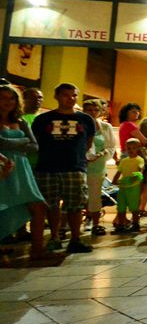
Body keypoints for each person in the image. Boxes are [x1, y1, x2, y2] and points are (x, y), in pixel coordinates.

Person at [31, 83, 96, 253]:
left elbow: (88, 142)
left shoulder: (86, 119)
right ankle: (54, 237)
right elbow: (35, 141)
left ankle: (75, 239)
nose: (70, 98)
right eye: (66, 95)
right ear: (57, 96)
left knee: (76, 204)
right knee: (51, 204)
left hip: (74, 167)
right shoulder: (43, 119)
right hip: (47, 167)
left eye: (74, 95)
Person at [0, 85, 48, 260]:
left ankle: (38, 249)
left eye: (12, 98)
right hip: (3, 165)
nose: (8, 102)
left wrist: (9, 142)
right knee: (3, 204)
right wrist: (22, 140)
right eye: (3, 98)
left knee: (38, 206)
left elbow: (34, 146)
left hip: (21, 166)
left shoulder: (21, 122)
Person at [82, 99, 116, 236]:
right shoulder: (79, 125)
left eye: (95, 110)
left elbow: (111, 146)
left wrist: (101, 155)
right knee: (80, 196)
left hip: (98, 165)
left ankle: (95, 223)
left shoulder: (106, 127)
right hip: (80, 165)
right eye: (89, 110)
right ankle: (69, 224)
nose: (93, 112)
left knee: (95, 196)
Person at [112, 138, 145, 233]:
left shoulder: (139, 160)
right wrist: (114, 180)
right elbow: (119, 172)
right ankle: (121, 225)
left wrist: (137, 176)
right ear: (126, 149)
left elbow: (141, 170)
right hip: (123, 186)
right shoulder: (124, 161)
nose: (131, 150)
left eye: (133, 148)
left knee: (134, 207)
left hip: (134, 187)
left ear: (138, 149)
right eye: (129, 148)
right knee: (121, 206)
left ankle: (135, 225)